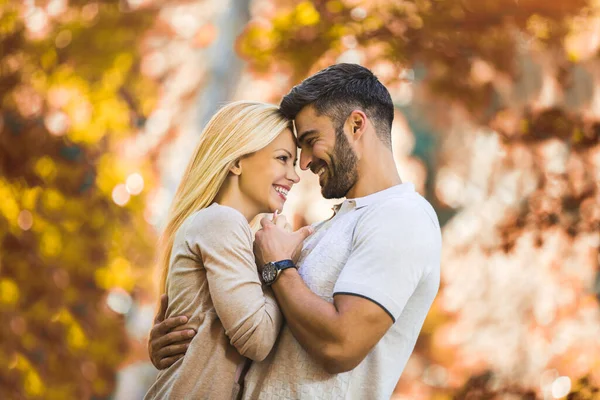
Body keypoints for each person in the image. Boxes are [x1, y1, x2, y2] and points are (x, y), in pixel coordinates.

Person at [149, 64, 442, 399]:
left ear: (357, 125)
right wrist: (181, 343)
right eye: (289, 155)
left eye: (310, 141)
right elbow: (249, 322)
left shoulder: (401, 216)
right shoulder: (321, 230)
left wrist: (279, 269)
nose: (302, 165)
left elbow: (340, 345)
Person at [144, 101, 312, 400]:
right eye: (283, 158)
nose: (295, 175)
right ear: (236, 161)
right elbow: (257, 341)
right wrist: (279, 264)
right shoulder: (221, 222)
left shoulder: (226, 229)